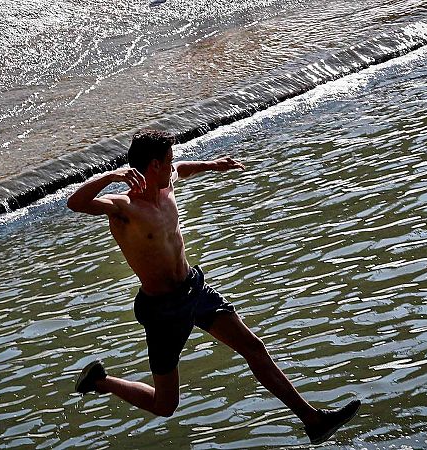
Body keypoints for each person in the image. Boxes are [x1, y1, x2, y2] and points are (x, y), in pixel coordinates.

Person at [66, 129, 360, 445]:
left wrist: (213, 165)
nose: (173, 164)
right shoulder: (124, 208)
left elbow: (184, 169)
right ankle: (102, 381)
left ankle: (313, 420)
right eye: (168, 159)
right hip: (163, 310)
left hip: (195, 289)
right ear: (153, 165)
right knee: (165, 406)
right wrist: (111, 175)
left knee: (253, 347)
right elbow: (76, 202)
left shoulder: (167, 187)